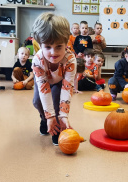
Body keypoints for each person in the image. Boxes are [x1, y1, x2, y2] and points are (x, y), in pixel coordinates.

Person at [31, 13, 76, 145]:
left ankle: (57, 129)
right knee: (37, 102)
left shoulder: (70, 60)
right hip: (43, 79)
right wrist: (49, 116)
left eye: (59, 47)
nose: (53, 52)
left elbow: (67, 89)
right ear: (40, 44)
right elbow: (44, 90)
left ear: (66, 42)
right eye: (48, 47)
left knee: (56, 104)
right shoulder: (37, 61)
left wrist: (63, 116)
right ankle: (45, 119)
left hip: (60, 81)